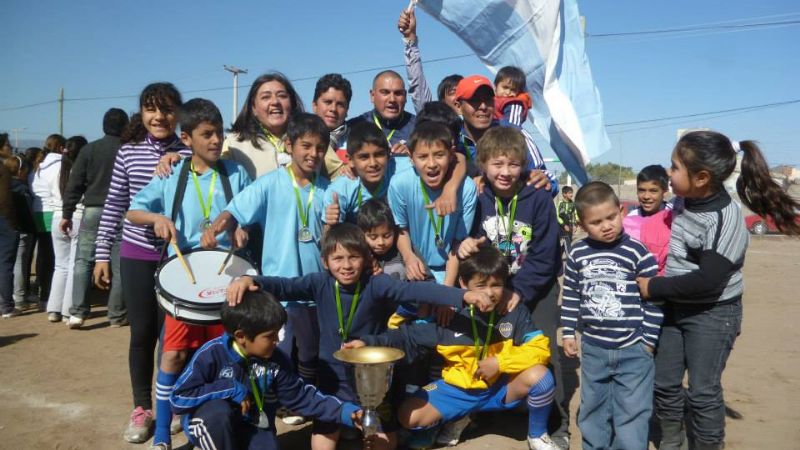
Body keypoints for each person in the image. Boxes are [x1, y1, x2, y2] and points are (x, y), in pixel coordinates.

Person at [225, 223, 495, 450]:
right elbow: (284, 286)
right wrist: (251, 281)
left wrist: (464, 296)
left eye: (353, 257)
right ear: (325, 261)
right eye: (338, 258)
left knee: (385, 444)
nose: (346, 266)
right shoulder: (318, 283)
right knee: (323, 440)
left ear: (366, 259)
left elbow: (418, 292)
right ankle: (346, 426)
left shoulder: (376, 284)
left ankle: (360, 429)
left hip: (375, 381)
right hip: (332, 379)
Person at [637, 131, 800, 450]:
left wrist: (653, 286)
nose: (668, 174)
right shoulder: (684, 200)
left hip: (713, 314)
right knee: (664, 383)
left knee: (702, 392)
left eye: (673, 168)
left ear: (700, 178)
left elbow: (706, 282)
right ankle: (673, 442)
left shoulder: (725, 219)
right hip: (674, 308)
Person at [127, 98, 251, 450]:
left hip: (226, 280)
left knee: (227, 354)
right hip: (184, 280)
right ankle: (164, 432)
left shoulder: (235, 173)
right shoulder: (172, 173)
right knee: (174, 355)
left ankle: (220, 423)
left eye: (219, 133)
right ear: (185, 139)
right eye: (207, 134)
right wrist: (158, 219)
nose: (216, 141)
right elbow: (133, 212)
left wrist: (241, 228)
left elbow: (247, 211)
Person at [345, 246, 557, 450]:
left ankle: (537, 434)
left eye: (497, 285)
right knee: (408, 417)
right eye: (481, 286)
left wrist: (500, 363)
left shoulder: (512, 310)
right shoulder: (449, 313)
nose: (490, 293)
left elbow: (541, 349)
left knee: (542, 376)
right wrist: (368, 342)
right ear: (463, 284)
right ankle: (459, 418)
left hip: (499, 386)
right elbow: (406, 337)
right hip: (458, 390)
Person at [202, 113, 332, 418]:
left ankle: (302, 401)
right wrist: (218, 227)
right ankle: (270, 406)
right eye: (306, 146)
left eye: (320, 147)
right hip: (278, 287)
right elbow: (234, 210)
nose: (313, 154)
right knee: (276, 351)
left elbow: (333, 239)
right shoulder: (270, 183)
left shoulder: (329, 190)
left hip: (314, 286)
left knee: (311, 351)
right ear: (289, 145)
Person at [93, 82, 192, 444]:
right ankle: (141, 407)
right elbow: (115, 205)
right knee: (142, 334)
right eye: (151, 109)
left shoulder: (188, 151)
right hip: (136, 255)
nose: (159, 116)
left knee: (174, 338)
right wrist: (102, 253)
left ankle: (175, 401)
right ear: (142, 113)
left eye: (166, 109)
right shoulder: (128, 151)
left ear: (178, 113)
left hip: (176, 260)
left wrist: (182, 156)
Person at [456, 126, 567, 447]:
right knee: (488, 348)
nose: (505, 172)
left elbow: (546, 255)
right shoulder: (477, 198)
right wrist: (464, 246)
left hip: (537, 289)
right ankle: (485, 413)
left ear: (524, 165)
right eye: (497, 164)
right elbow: (467, 239)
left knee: (545, 353)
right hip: (493, 289)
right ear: (483, 165)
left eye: (513, 164)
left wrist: (519, 291)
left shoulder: (539, 199)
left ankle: (554, 425)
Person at [170, 290, 364, 450]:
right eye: (270, 336)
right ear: (241, 336)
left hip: (253, 424)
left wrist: (346, 412)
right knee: (217, 416)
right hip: (212, 424)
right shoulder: (211, 354)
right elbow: (178, 398)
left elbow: (304, 397)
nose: (277, 341)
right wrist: (230, 388)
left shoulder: (276, 360)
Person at [559, 181, 661, 450]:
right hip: (594, 348)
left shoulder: (639, 253)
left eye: (611, 217)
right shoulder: (578, 254)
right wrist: (568, 332)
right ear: (581, 225)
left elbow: (654, 299)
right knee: (593, 408)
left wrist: (648, 340)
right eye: (596, 222)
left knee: (632, 411)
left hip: (633, 349)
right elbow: (571, 294)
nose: (606, 226)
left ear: (621, 210)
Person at [387, 121, 477, 286]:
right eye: (422, 157)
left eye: (439, 155)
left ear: (451, 155)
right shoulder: (399, 184)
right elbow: (401, 229)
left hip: (450, 270)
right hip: (415, 265)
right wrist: (409, 257)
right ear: (411, 158)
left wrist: (447, 289)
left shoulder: (467, 189)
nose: (432, 164)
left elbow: (458, 243)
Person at [64, 107, 129, 328]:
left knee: (84, 260)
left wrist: (67, 213)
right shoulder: (128, 149)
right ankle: (116, 314)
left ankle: (78, 312)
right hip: (122, 211)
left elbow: (74, 184)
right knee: (119, 263)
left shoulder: (89, 150)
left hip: (93, 209)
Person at [221, 72, 343, 180]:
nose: (275, 102)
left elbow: (341, 176)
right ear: (253, 108)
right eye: (266, 97)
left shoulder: (313, 137)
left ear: (292, 103)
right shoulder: (234, 144)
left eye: (282, 96)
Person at [453, 75, 553, 188]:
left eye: (488, 99)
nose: (483, 106)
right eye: (474, 100)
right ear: (458, 106)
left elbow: (548, 180)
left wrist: (543, 180)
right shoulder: (451, 140)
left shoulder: (513, 133)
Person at [46, 135, 88, 323]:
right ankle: (67, 310)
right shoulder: (82, 169)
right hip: (77, 218)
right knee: (74, 266)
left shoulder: (54, 168)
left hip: (56, 218)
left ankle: (53, 309)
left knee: (60, 265)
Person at [323, 121, 393, 226]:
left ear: (389, 154)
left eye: (379, 154)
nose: (373, 163)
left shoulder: (399, 172)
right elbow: (328, 239)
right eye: (364, 157)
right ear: (350, 160)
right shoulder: (339, 191)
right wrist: (332, 224)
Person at [347, 70, 416, 171]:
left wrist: (415, 157)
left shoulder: (419, 127)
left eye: (398, 93)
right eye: (385, 92)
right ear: (372, 96)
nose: (392, 99)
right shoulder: (353, 127)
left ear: (405, 97)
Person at [397, 7, 462, 112]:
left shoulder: (486, 125)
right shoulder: (434, 123)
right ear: (442, 103)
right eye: (452, 92)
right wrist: (410, 37)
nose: (459, 97)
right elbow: (418, 86)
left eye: (465, 92)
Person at [30, 134, 65, 313]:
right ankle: (52, 297)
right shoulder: (60, 164)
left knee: (43, 256)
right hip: (53, 213)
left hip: (37, 214)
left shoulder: (38, 167)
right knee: (57, 260)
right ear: (61, 147)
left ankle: (43, 295)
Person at [623, 165, 673, 275]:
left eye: (653, 191)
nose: (646, 196)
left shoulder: (674, 217)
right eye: (641, 190)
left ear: (665, 192)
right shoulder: (629, 221)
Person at [311, 73, 353, 167]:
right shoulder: (299, 138)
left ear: (347, 110)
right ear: (314, 105)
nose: (333, 109)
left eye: (340, 104)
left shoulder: (357, 142)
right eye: (328, 102)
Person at [0, 145, 20, 318]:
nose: (10, 147)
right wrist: (12, 223)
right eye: (7, 144)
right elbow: (5, 199)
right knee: (5, 264)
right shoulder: (4, 171)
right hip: (4, 219)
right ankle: (6, 305)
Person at [556, 186, 578, 255]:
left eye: (572, 193)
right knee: (564, 242)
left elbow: (575, 215)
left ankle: (559, 254)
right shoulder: (560, 204)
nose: (571, 195)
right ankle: (569, 259)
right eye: (569, 193)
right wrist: (563, 225)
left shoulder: (573, 204)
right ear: (564, 194)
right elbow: (557, 216)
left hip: (570, 226)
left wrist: (575, 224)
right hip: (561, 226)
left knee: (569, 241)